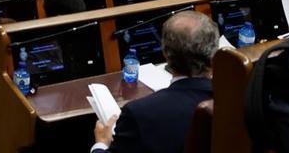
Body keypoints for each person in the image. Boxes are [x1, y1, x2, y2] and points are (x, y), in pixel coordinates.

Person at [92, 11, 216, 153]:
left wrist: (101, 144)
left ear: (165, 52)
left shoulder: (139, 113)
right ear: (213, 52)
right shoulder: (237, 97)